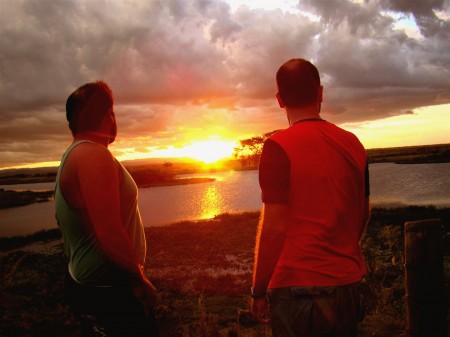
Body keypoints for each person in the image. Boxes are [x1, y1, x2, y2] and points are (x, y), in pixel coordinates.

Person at [250, 59, 370, 337]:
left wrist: (258, 290)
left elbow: (274, 228)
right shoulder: (354, 143)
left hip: (296, 292)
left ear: (280, 100)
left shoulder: (277, 146)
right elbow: (362, 213)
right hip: (346, 286)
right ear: (320, 93)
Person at [55, 81, 159, 337]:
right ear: (108, 115)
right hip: (110, 294)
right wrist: (139, 282)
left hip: (91, 287)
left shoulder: (73, 155)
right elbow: (109, 232)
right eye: (112, 112)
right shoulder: (93, 156)